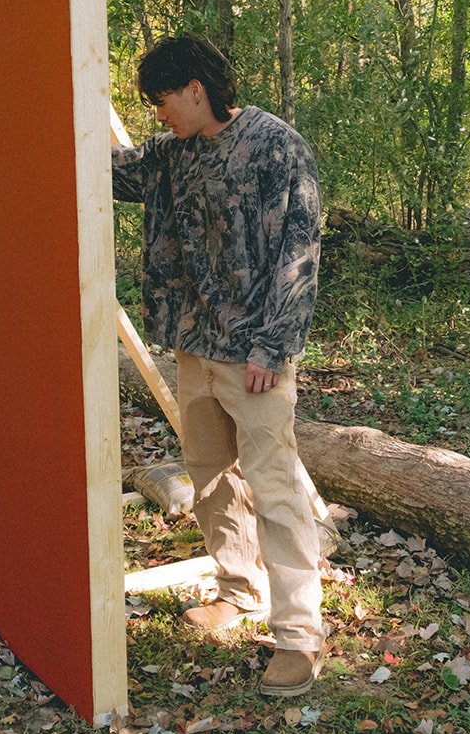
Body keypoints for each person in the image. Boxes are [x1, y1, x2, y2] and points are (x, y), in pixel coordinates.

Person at [111, 34, 325, 697]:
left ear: (196, 89)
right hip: (194, 347)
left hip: (255, 354)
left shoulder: (274, 146)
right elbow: (105, 171)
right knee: (209, 475)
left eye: (163, 100)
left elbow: (299, 251)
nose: (158, 114)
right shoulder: (171, 153)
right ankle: (239, 590)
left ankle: (300, 636)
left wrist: (272, 345)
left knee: (275, 485)